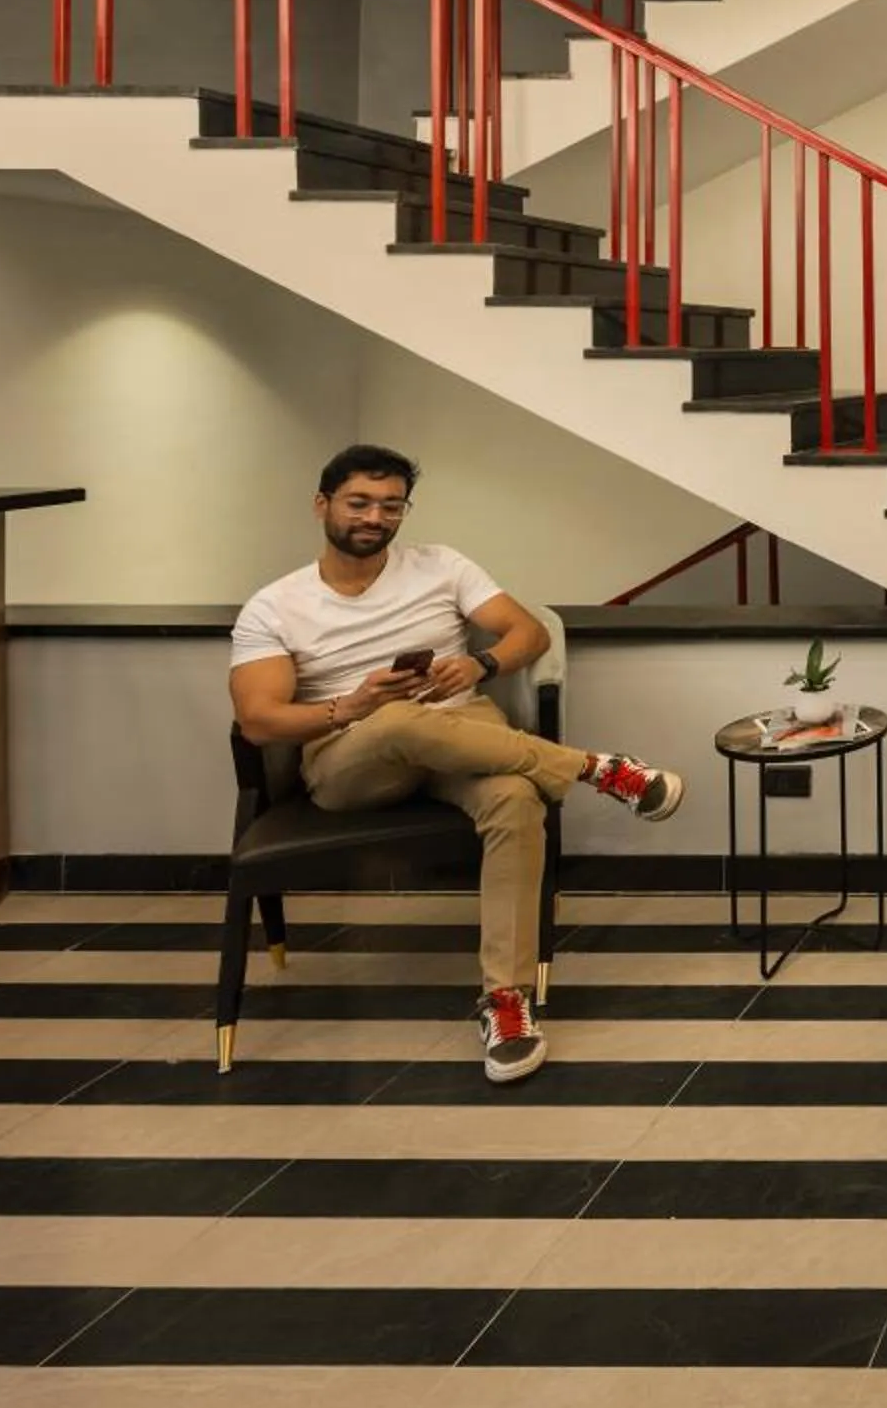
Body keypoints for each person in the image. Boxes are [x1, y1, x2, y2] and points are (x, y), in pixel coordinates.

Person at [227, 444, 684, 1086]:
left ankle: (506, 1001)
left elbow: (529, 632)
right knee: (394, 718)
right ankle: (593, 770)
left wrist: (479, 664)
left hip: (463, 735)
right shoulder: (274, 605)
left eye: (391, 506)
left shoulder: (441, 565)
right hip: (350, 755)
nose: (375, 517)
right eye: (359, 502)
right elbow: (259, 719)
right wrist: (350, 704)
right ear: (322, 504)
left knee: (516, 800)